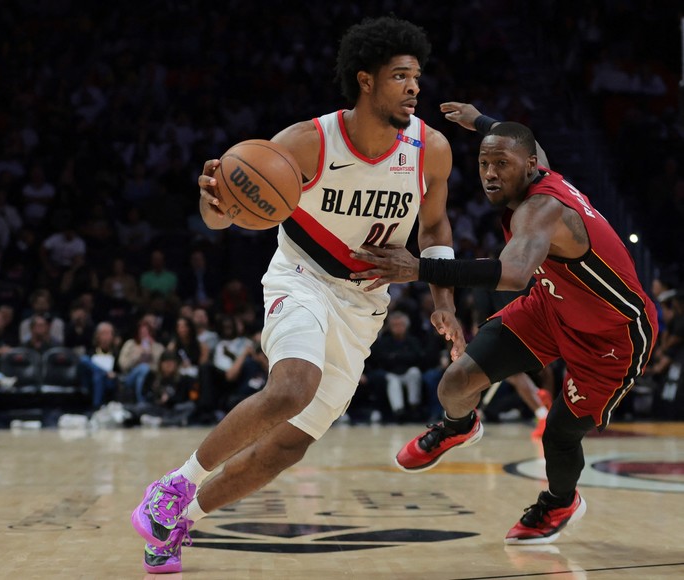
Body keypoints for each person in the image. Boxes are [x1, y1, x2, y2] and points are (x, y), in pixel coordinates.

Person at [130, 16, 463, 574]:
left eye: (417, 77)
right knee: (292, 388)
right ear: (365, 80)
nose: (415, 87)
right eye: (401, 76)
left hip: (366, 306)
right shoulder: (307, 142)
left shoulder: (431, 150)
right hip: (301, 276)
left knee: (290, 446)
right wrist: (215, 201)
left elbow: (434, 230)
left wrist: (442, 300)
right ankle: (173, 484)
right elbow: (224, 219)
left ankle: (182, 519)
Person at [353, 102, 658, 544]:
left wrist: (418, 268)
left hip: (613, 335)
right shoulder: (532, 165)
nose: (490, 173)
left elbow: (512, 274)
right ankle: (459, 426)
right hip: (551, 307)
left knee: (559, 434)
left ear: (530, 167)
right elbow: (516, 137)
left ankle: (559, 502)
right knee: (454, 385)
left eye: (501, 163)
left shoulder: (542, 211)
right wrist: (478, 120)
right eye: (484, 163)